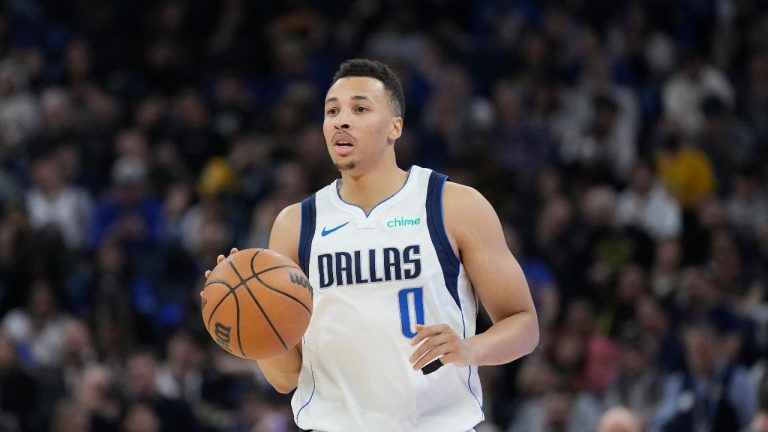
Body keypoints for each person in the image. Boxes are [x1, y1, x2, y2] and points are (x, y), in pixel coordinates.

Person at [206, 59, 539, 431]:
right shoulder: (295, 223)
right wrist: (250, 315)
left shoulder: (453, 205)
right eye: (332, 111)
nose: (341, 120)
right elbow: (286, 378)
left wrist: (468, 348)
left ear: (395, 126)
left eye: (359, 108)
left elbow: (524, 326)